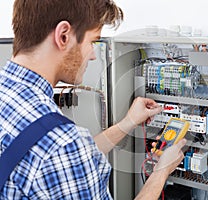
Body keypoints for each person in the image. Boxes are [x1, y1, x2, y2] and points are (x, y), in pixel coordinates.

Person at [0, 0, 187, 199]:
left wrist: (128, 122)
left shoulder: (10, 94)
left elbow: (62, 158)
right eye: (92, 42)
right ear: (63, 36)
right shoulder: (64, 144)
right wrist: (161, 172)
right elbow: (67, 153)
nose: (93, 56)